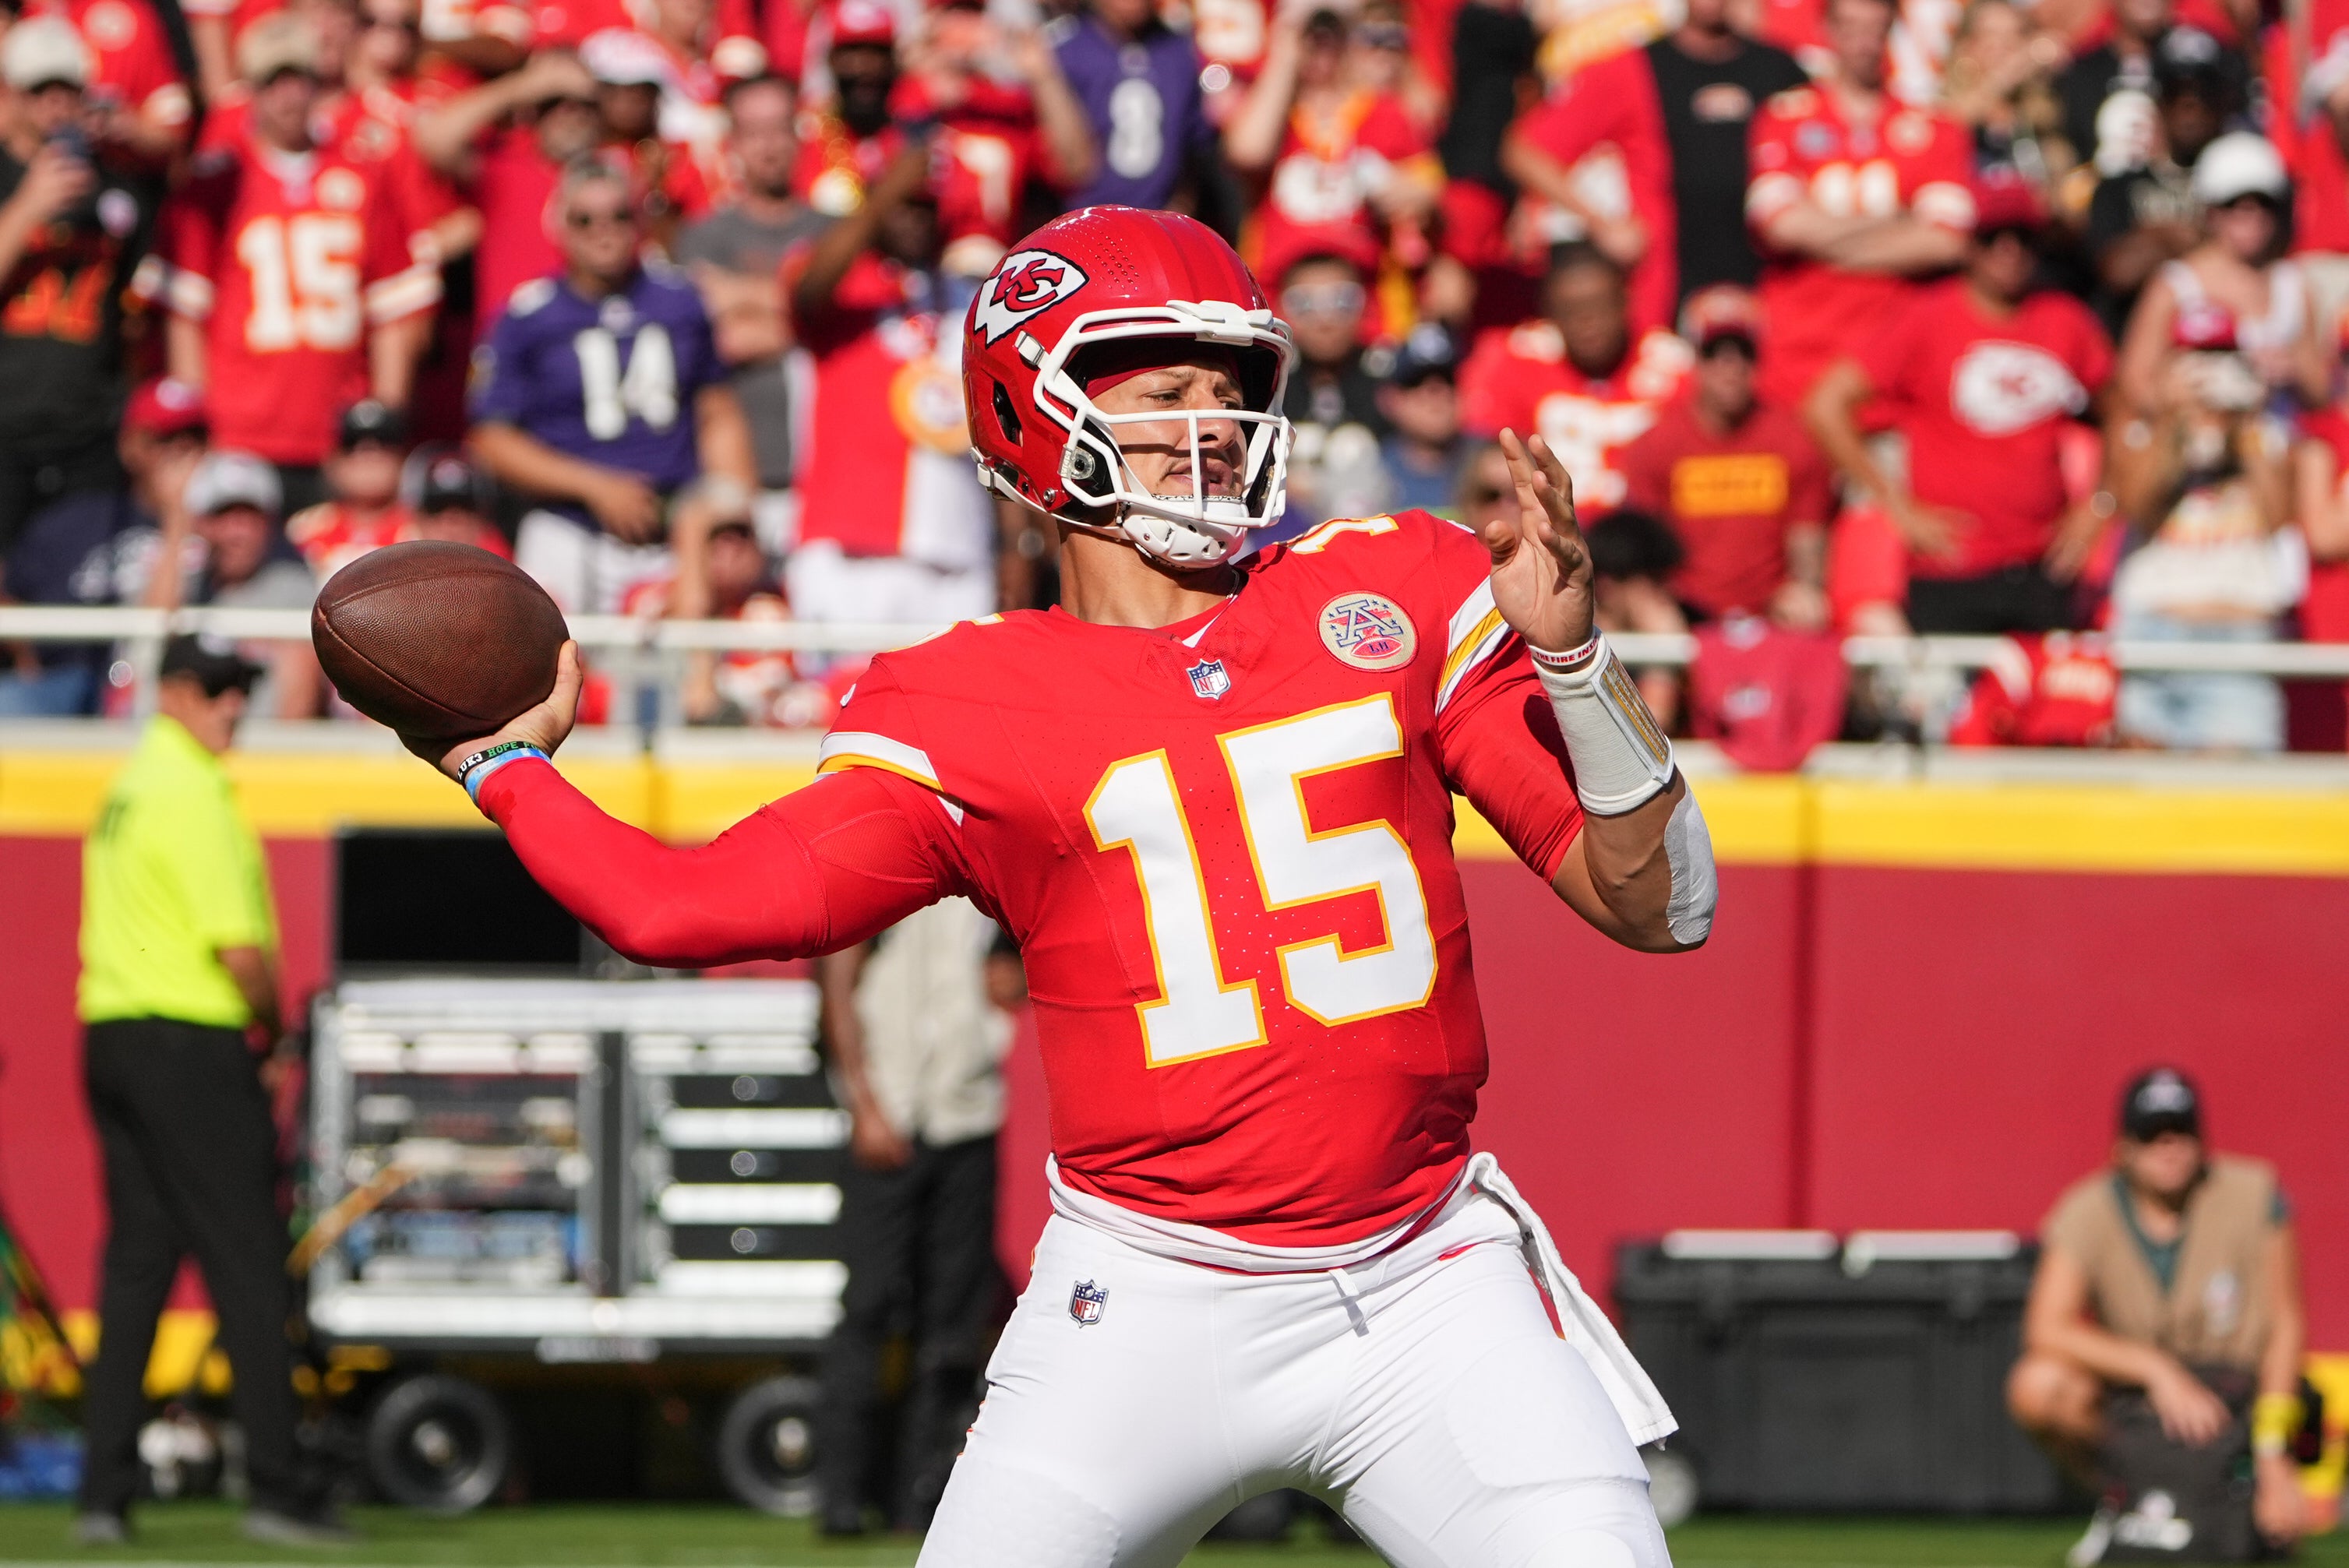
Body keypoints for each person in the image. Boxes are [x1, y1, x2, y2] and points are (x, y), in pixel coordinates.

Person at [402, 205, 1715, 1564]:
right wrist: (513, 771)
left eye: (1233, 389)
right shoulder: (966, 699)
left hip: (1430, 1278)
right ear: (1038, 414)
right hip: (1144, 1301)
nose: (1217, 425)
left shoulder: (1396, 584)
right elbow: (679, 908)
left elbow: (1663, 904)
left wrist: (1577, 670)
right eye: (1167, 392)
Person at [73, 634, 346, 1548]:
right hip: (190, 1041)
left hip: (112, 1032)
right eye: (220, 690)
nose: (236, 707)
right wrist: (272, 1031)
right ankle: (278, 1486)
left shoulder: (131, 786)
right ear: (177, 693)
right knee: (248, 1264)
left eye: (242, 690)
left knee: (136, 1270)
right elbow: (240, 953)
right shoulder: (192, 791)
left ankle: (103, 1496)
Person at [137, 13, 440, 513]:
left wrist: (384, 421)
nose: (288, 96)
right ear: (252, 91)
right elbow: (186, 314)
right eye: (273, 81)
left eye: (298, 78)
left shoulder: (362, 173)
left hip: (338, 433)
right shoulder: (218, 183)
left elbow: (392, 312)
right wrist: (200, 425)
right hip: (240, 429)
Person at [2008, 1068, 2305, 1557]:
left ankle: (2234, 1493)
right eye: (2151, 1136)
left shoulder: (2256, 1196)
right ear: (2122, 1148)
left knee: (2269, 1533)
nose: (2169, 1148)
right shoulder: (2086, 1210)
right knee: (2038, 1385)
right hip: (2137, 1400)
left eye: (2181, 1132)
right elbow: (2046, 1327)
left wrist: (2275, 1457)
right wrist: (2157, 1371)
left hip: (2236, 1397)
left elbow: (2286, 1325)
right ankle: (2123, 1499)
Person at [1807, 176, 2113, 633]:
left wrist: (2101, 505)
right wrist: (1896, 505)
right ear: (1971, 247)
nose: (2008, 252)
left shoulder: (2065, 321)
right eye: (1993, 240)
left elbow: (2130, 412)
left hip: (2043, 567)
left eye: (2023, 239)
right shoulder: (1926, 317)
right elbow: (1824, 405)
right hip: (1949, 567)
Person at [469, 162, 753, 615]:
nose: (603, 232)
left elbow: (717, 412)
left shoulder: (681, 301)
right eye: (586, 220)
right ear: (561, 226)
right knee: (553, 659)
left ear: (640, 220)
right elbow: (492, 440)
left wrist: (735, 510)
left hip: (672, 525)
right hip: (568, 524)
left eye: (618, 216)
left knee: (677, 667)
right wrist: (595, 487)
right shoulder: (527, 317)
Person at [813, 899, 1014, 1535]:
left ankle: (921, 1497)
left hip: (968, 1112)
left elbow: (1017, 972)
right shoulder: (881, 863)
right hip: (889, 1111)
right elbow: (836, 981)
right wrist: (861, 1100)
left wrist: (1006, 984)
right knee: (868, 1307)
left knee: (951, 1323)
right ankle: (841, 1495)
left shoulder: (989, 858)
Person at [783, 137, 1002, 629]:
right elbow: (807, 290)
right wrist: (883, 194)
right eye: (901, 204)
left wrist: (1014, 543)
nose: (913, 217)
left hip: (957, 551)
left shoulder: (972, 301)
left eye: (924, 206)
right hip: (850, 551)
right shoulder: (844, 289)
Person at [1502, 0, 1808, 329]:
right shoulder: (1636, 68)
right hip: (1668, 295)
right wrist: (1602, 224)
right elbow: (1525, 151)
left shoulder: (1780, 69)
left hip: (1774, 295)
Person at [1744, 0, 1977, 409]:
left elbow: (1947, 242)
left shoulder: (1933, 127)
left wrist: (1824, 240)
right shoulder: (1784, 117)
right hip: (1798, 362)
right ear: (1827, 31)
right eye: (1851, 28)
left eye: (1875, 29)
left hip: (1895, 373)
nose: (1863, 44)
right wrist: (1899, 225)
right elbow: (1780, 225)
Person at [0, 17, 163, 557]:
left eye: (65, 91)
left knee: (80, 581)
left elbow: (139, 312)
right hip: (5, 426)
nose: (55, 106)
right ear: (13, 95)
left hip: (88, 432)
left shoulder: (117, 189)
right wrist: (26, 210)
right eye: (39, 92)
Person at [675, 74, 829, 547]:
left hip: (824, 479)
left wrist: (735, 295)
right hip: (740, 481)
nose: (769, 146)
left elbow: (854, 330)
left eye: (780, 128)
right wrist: (809, 313)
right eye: (754, 131)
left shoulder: (835, 236)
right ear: (732, 143)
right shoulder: (702, 237)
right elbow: (720, 340)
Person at [1621, 286, 1832, 628]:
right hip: (1685, 607)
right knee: (1654, 619)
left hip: (1772, 608)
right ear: (1695, 359)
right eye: (1714, 352)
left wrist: (1803, 590)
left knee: (1809, 611)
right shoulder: (1657, 443)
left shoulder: (1794, 439)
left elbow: (1807, 543)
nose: (1730, 365)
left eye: (1743, 352)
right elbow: (1646, 550)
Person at [0, 377, 205, 716]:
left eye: (194, 437)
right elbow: (10, 591)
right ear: (130, 446)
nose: (181, 451)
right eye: (165, 439)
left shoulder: (227, 523)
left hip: (166, 689)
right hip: (67, 684)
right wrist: (26, 656)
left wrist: (177, 517)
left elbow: (158, 627)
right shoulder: (73, 522)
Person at [1459, 243, 1692, 517]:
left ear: (1625, 301)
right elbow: (1485, 471)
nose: (1587, 320)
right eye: (1571, 310)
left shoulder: (1674, 365)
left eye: (1599, 305)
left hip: (1649, 541)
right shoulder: (1515, 359)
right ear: (1550, 314)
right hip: (1550, 537)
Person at [143, 449, 322, 718]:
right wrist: (177, 518)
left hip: (262, 752)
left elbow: (298, 702)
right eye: (222, 516)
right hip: (184, 744)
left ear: (269, 524)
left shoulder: (293, 589)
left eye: (249, 517)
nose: (237, 532)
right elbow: (148, 636)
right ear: (200, 524)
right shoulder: (185, 583)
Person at [2081, 26, 2237, 337]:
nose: (2189, 105)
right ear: (2158, 103)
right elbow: (2119, 271)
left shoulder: (2242, 185)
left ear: (2222, 104)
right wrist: (2191, 237)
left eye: (2203, 94)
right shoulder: (2118, 186)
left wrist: (2153, 237)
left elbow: (2250, 263)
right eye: (2176, 93)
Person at [1050, 0, 1215, 213]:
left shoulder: (1182, 53)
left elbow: (1196, 151)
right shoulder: (1064, 52)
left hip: (1158, 223)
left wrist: (1180, 209)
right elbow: (1071, 167)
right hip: (1082, 222)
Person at [1277, 245, 1389, 527]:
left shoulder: (1395, 378)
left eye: (1342, 301)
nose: (1325, 319)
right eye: (1304, 303)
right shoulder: (1266, 382)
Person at [286, 399, 412, 581]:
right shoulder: (302, 532)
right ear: (332, 461)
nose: (369, 454)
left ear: (402, 459)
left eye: (384, 445)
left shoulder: (422, 533)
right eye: (352, 444)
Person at [1375, 323, 1469, 515]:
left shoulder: (1489, 468)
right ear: (1390, 400)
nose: (1436, 393)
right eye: (1416, 382)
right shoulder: (1372, 473)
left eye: (1447, 379)